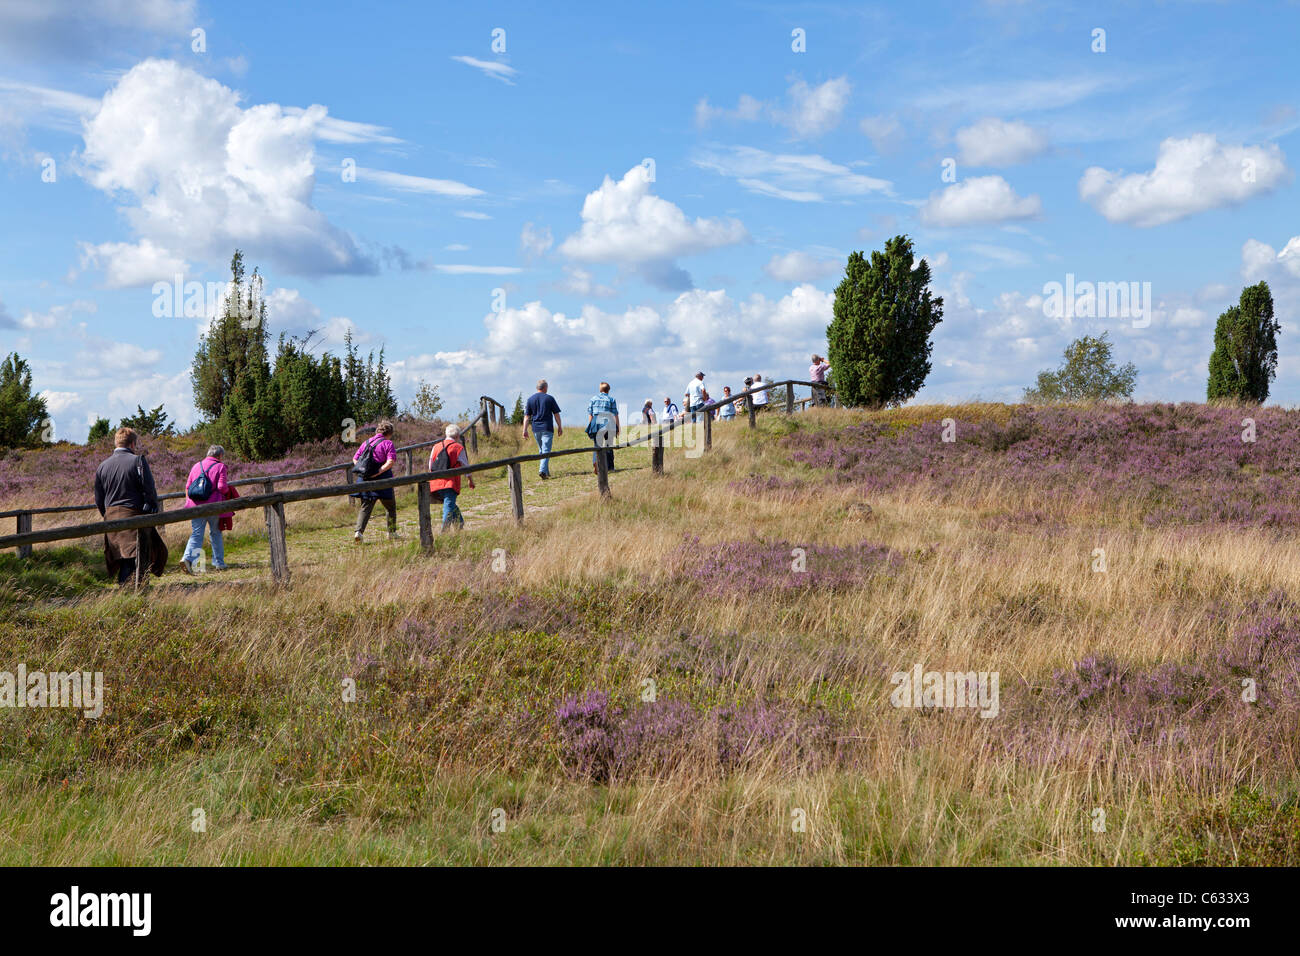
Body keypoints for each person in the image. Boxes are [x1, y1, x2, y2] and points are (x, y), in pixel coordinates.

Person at [93, 427, 168, 585]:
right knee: (136, 558)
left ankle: (128, 593)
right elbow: (149, 489)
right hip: (134, 515)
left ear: (116, 442)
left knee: (122, 558)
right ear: (133, 443)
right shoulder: (138, 461)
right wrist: (151, 509)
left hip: (111, 518)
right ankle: (132, 594)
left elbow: (99, 499)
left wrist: (107, 515)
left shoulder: (102, 466)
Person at [180, 444, 232, 573]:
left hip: (196, 506)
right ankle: (219, 563)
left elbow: (188, 486)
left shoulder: (196, 466)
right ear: (220, 455)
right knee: (215, 533)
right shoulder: (220, 466)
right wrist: (228, 490)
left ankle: (188, 558)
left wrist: (189, 502)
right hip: (213, 506)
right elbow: (221, 487)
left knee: (196, 533)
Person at [351, 420, 398, 543]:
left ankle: (358, 532)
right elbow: (391, 461)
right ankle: (392, 533)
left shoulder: (366, 442)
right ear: (390, 433)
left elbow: (355, 459)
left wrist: (364, 472)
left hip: (365, 479)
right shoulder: (388, 443)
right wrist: (379, 471)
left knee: (365, 506)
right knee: (390, 507)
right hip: (383, 480)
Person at [428, 423, 475, 532]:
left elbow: (430, 466)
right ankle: (444, 532)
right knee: (448, 507)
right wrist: (470, 481)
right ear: (458, 436)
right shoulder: (458, 448)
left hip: (435, 483)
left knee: (449, 504)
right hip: (450, 482)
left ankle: (460, 524)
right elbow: (466, 467)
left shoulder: (436, 446)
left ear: (446, 434)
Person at [522, 379, 563, 480]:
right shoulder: (549, 398)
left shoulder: (530, 399)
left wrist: (525, 430)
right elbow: (556, 414)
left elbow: (527, 416)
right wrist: (559, 426)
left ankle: (546, 472)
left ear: (537, 388)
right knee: (545, 450)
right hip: (547, 427)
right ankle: (542, 471)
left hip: (536, 428)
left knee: (542, 450)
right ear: (545, 387)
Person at [587, 381, 619, 475]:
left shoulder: (593, 399)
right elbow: (615, 415)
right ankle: (610, 466)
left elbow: (590, 414)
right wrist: (617, 427)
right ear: (608, 390)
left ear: (600, 389)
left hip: (596, 421)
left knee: (597, 444)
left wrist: (590, 426)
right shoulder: (611, 399)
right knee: (609, 444)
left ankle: (596, 462)